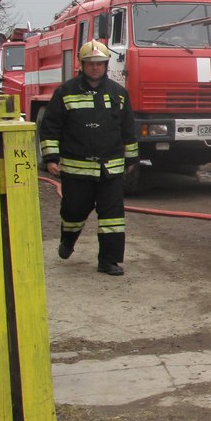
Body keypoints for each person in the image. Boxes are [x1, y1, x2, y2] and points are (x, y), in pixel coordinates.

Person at [39, 40, 139, 276]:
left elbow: (128, 130)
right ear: (82, 65)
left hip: (110, 169)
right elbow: (50, 128)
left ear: (106, 65)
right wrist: (51, 157)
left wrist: (131, 160)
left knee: (112, 217)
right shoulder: (65, 92)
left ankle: (109, 261)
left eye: (100, 64)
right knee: (74, 211)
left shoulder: (118, 94)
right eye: (90, 64)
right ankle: (68, 240)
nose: (95, 68)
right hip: (76, 170)